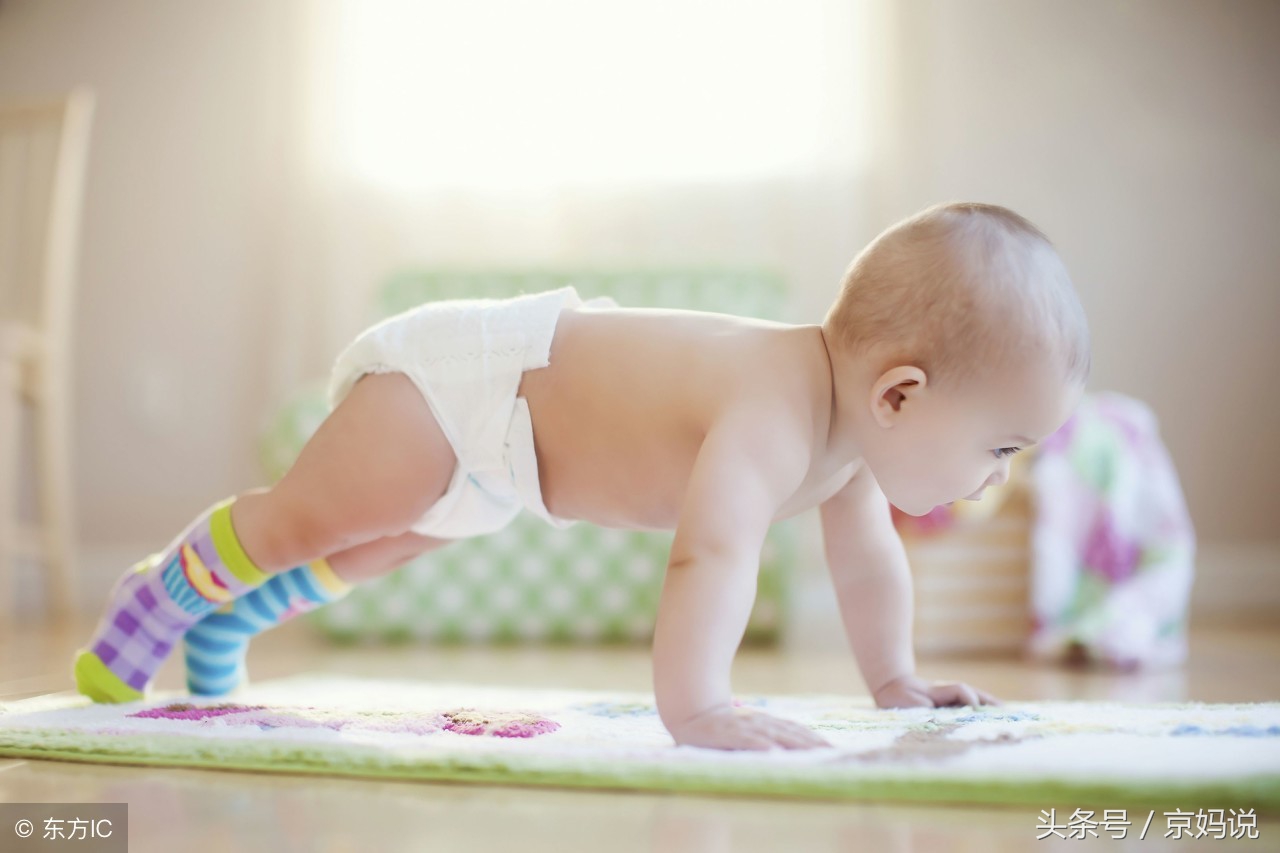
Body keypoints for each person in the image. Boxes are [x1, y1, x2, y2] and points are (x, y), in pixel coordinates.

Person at [73, 201, 1089, 752]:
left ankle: (226, 620)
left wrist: (893, 681)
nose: (991, 481)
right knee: (312, 521)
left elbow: (869, 571)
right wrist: (696, 706)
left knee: (378, 546)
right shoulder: (772, 408)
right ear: (898, 395)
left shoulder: (849, 448)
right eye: (997, 448)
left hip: (509, 458)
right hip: (460, 383)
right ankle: (158, 592)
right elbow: (710, 553)